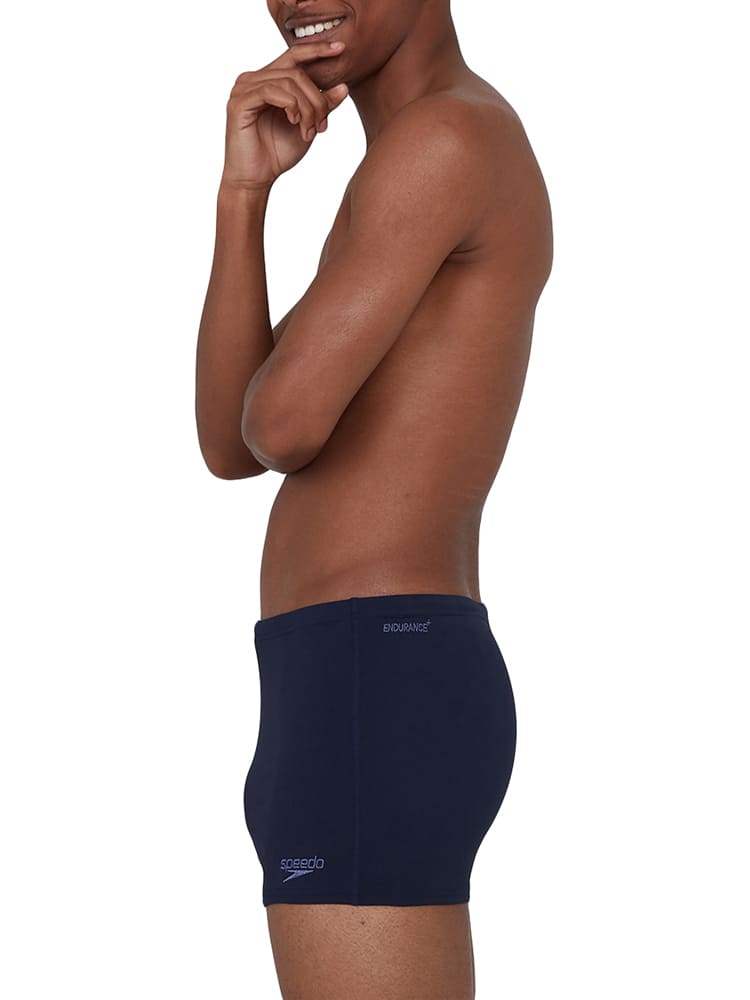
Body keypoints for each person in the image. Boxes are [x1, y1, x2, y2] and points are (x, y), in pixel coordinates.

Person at [195, 0, 552, 996]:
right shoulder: (418, 150)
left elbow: (283, 425)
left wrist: (276, 401)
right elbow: (229, 442)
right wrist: (243, 195)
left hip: (373, 670)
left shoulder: (443, 139)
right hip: (352, 668)